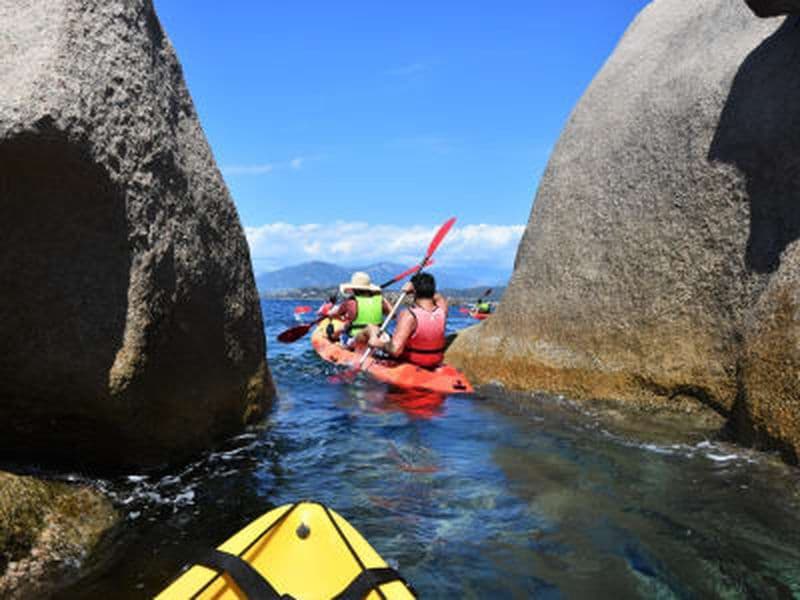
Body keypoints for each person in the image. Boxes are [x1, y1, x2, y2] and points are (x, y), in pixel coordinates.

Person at [366, 272, 447, 368]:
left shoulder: (410, 315)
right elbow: (439, 298)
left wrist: (378, 343)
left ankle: (355, 351)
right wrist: (419, 288)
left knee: (371, 328)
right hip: (434, 360)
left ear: (414, 292)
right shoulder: (442, 311)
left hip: (412, 361)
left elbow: (395, 350)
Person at [329, 272, 392, 345]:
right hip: (379, 335)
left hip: (357, 337)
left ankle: (335, 341)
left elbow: (334, 314)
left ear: (354, 288)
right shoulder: (380, 300)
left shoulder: (351, 301)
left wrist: (335, 315)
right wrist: (382, 298)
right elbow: (392, 315)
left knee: (342, 329)